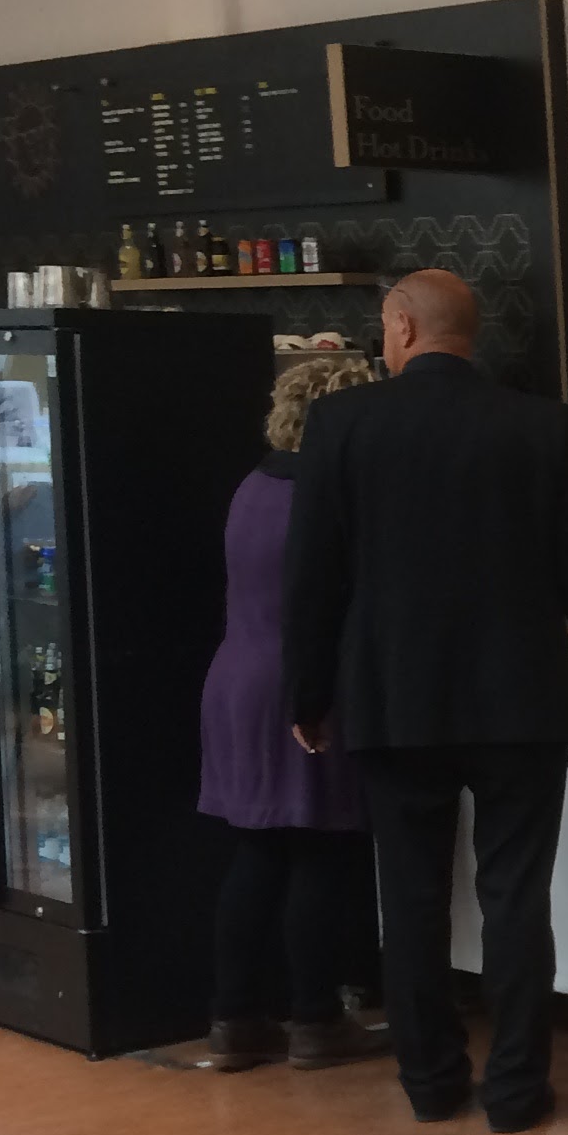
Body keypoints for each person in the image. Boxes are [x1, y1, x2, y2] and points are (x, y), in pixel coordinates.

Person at [285, 270, 568, 1132]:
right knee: (516, 899)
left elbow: (312, 572)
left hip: (395, 698)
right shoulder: (542, 424)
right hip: (522, 697)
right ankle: (517, 1091)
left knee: (413, 899)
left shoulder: (342, 423)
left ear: (400, 328)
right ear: (471, 332)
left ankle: (430, 1082)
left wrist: (307, 693)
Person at [202, 355, 387, 1071]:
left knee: (258, 850)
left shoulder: (253, 485)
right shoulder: (328, 497)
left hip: (236, 678)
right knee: (321, 848)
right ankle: (315, 1018)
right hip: (304, 684)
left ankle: (235, 1019)